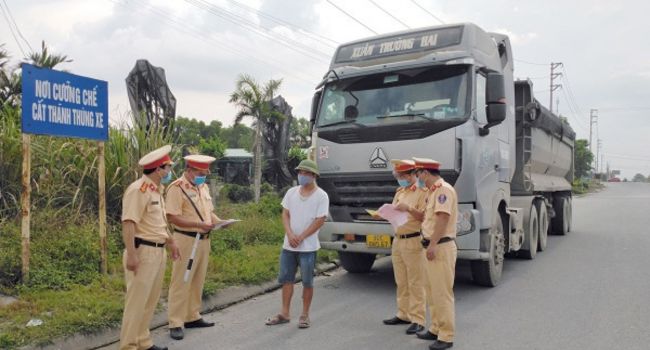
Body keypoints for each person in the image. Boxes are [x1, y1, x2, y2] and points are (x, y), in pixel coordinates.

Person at [119, 145, 180, 350]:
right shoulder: (139, 190)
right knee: (136, 303)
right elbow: (129, 223)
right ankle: (128, 346)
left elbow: (158, 223)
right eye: (168, 167)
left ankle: (143, 342)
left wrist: (171, 241)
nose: (170, 171)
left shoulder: (157, 190)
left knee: (150, 301)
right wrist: (132, 255)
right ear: (158, 170)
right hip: (143, 251)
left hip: (157, 251)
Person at [166, 154, 230, 340]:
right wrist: (198, 226)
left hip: (204, 240)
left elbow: (208, 213)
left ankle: (192, 316)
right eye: (202, 172)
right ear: (189, 170)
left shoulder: (203, 187)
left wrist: (221, 222)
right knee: (181, 281)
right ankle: (175, 322)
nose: (205, 175)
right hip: (186, 239)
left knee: (197, 280)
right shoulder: (176, 188)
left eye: (206, 172)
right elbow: (172, 217)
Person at [265, 159, 329, 329]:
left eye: (306, 173)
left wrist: (301, 237)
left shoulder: (321, 196)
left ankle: (305, 315)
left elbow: (320, 220)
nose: (302, 175)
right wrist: (290, 234)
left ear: (314, 175)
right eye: (300, 172)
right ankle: (284, 313)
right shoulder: (291, 192)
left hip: (308, 247)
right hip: (288, 246)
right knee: (287, 280)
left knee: (307, 282)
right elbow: (285, 214)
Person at [412, 158, 458, 350]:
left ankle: (446, 336)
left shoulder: (443, 190)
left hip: (440, 247)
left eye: (417, 173)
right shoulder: (432, 192)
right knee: (431, 291)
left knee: (442, 293)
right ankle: (436, 327)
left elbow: (443, 218)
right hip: (432, 246)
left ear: (425, 173)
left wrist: (433, 244)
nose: (417, 178)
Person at [382, 159, 429, 335]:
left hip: (413, 239)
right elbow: (395, 211)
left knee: (416, 282)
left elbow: (425, 217)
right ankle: (403, 314)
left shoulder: (423, 192)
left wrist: (408, 208)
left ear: (411, 175)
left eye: (401, 176)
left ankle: (418, 319)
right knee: (401, 280)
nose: (399, 179)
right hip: (398, 240)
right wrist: (384, 214)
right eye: (397, 176)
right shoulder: (400, 191)